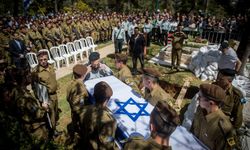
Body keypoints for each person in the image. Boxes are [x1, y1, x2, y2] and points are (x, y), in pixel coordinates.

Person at [191, 84, 237, 150]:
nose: (198, 98)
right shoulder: (200, 110)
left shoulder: (224, 129)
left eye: (200, 97)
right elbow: (193, 128)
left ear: (211, 103)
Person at [79, 81, 117, 149]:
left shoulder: (84, 109)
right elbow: (107, 145)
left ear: (93, 95)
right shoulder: (108, 121)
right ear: (107, 100)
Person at [15, 68, 49, 144]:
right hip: (36, 130)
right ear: (23, 79)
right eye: (27, 75)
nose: (29, 76)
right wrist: (44, 108)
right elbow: (38, 114)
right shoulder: (25, 98)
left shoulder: (19, 93)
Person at [31, 51, 60, 137]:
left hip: (54, 94)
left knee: (55, 111)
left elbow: (53, 79)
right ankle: (52, 131)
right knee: (50, 114)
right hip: (46, 97)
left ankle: (54, 125)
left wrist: (57, 86)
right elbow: (34, 87)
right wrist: (41, 100)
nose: (43, 61)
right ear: (38, 60)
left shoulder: (51, 66)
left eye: (45, 59)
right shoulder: (35, 72)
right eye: (41, 60)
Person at [67, 64, 89, 134]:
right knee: (81, 127)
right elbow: (82, 102)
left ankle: (76, 129)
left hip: (73, 110)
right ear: (83, 75)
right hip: (80, 112)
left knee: (75, 121)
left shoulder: (71, 83)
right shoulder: (81, 88)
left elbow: (68, 97)